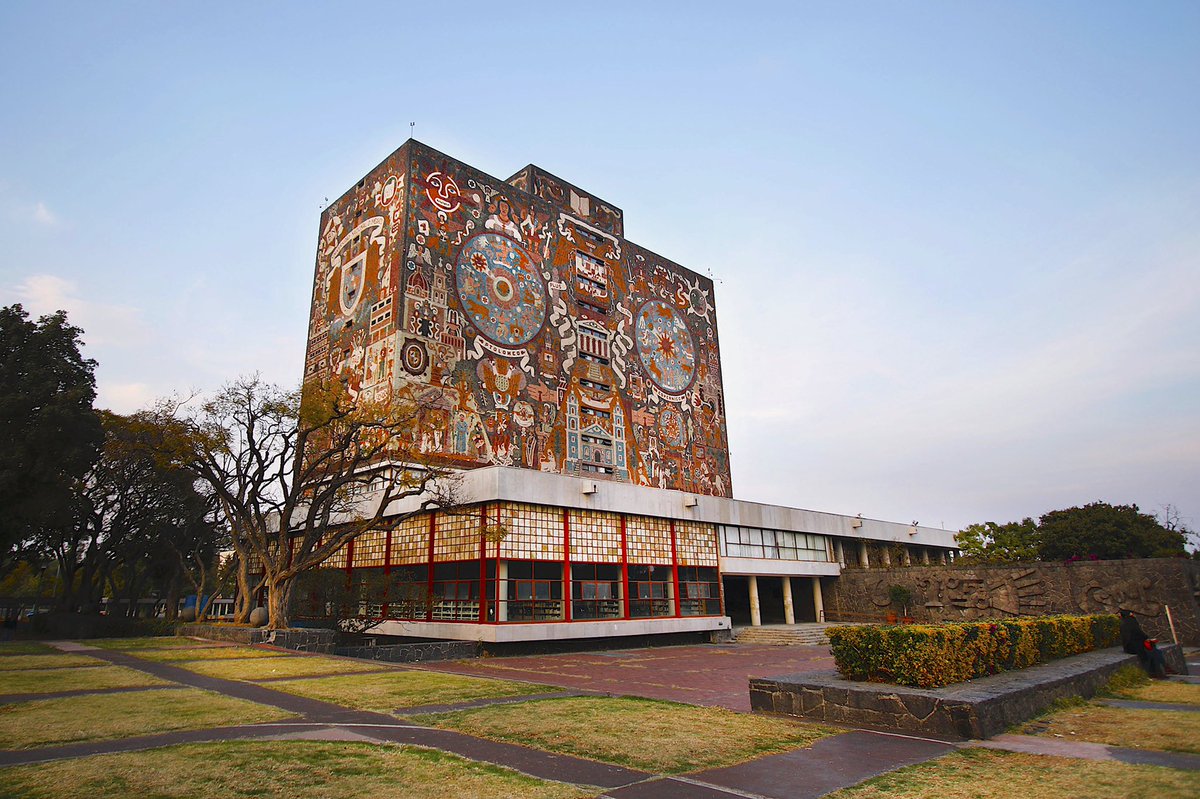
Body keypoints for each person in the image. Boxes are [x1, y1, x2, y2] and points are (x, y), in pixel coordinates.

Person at [1119, 608, 1168, 678]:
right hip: (1135, 647)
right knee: (1153, 651)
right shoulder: (1132, 622)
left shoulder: (1123, 623)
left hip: (1130, 647)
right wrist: (1147, 639)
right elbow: (1140, 635)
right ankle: (1159, 670)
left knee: (1153, 651)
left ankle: (1159, 670)